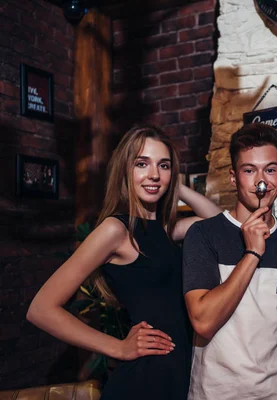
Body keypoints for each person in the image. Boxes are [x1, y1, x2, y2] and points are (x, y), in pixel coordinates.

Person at [27, 125, 222, 400]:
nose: (154, 173)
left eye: (163, 165)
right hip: (145, 379)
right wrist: (117, 348)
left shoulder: (167, 230)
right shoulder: (115, 230)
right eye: (142, 164)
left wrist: (175, 185)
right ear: (125, 170)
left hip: (180, 373)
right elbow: (41, 309)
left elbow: (219, 226)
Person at [183, 123, 277, 400]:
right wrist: (252, 253)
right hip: (217, 393)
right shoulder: (204, 235)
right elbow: (203, 322)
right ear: (233, 177)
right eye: (249, 170)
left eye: (270, 169)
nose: (261, 181)